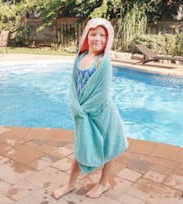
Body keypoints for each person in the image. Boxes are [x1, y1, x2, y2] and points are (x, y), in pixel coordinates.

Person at [53, 18, 128, 199]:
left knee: (108, 147)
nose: (97, 38)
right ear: (87, 35)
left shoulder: (103, 62)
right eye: (93, 34)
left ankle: (103, 183)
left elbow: (101, 94)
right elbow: (73, 85)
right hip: (82, 114)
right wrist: (75, 106)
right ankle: (70, 184)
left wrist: (83, 110)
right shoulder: (80, 58)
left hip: (101, 113)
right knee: (81, 148)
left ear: (107, 39)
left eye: (102, 35)